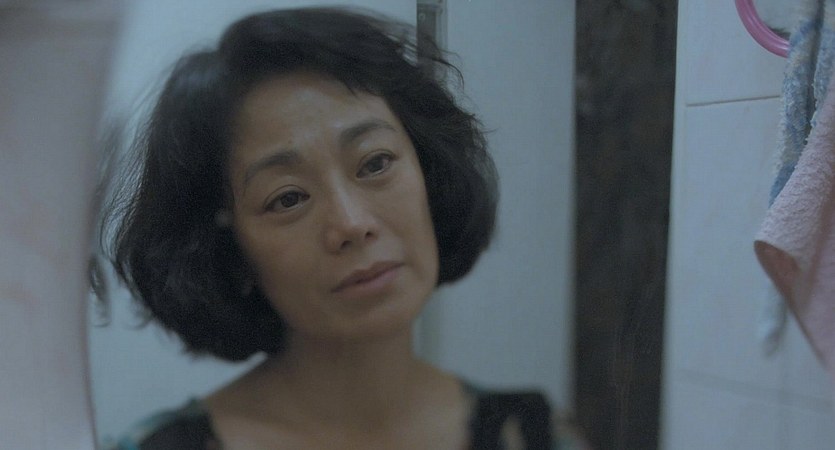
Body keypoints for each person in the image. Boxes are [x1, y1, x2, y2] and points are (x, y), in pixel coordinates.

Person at [102, 7, 585, 450]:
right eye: (287, 198)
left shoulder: (534, 436)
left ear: (430, 171)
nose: (352, 224)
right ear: (229, 250)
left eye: (375, 163)